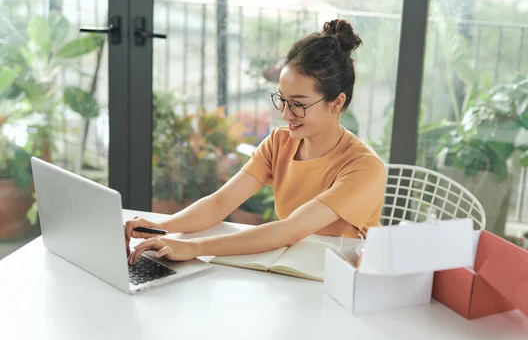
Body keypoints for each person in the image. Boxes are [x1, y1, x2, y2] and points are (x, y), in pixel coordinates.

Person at [126, 19, 386, 265]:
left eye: (298, 104)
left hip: (342, 281)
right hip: (290, 266)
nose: (285, 114)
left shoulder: (364, 168)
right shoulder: (280, 142)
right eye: (282, 99)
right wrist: (161, 227)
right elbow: (220, 203)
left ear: (337, 102)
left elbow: (289, 230)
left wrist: (194, 248)